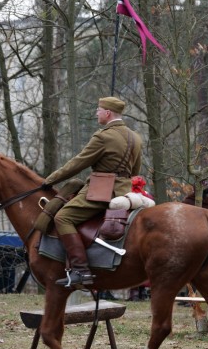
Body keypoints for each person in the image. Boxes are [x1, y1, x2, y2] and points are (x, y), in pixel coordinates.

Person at [43, 96, 143, 287]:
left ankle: (81, 271)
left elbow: (78, 163)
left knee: (62, 218)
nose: (96, 113)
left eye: (98, 109)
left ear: (107, 113)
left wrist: (50, 180)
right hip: (125, 192)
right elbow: (135, 171)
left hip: (102, 191)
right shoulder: (135, 138)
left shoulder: (103, 136)